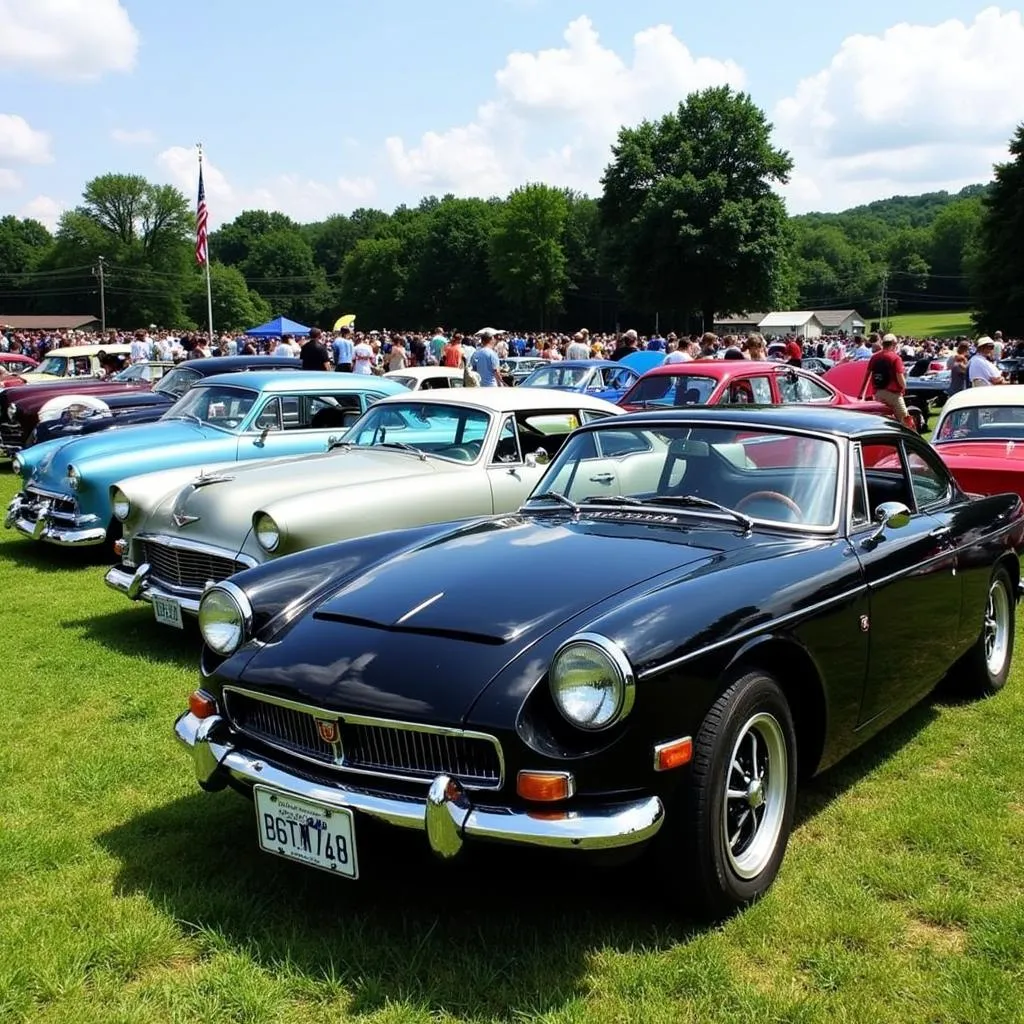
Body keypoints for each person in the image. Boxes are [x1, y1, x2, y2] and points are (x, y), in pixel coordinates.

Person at [867, 333, 914, 428]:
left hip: (878, 393)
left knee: (883, 422)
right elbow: (899, 377)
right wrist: (904, 387)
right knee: (906, 420)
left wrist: (862, 394)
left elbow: (867, 376)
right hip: (893, 395)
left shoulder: (874, 357)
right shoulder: (895, 358)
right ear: (894, 344)